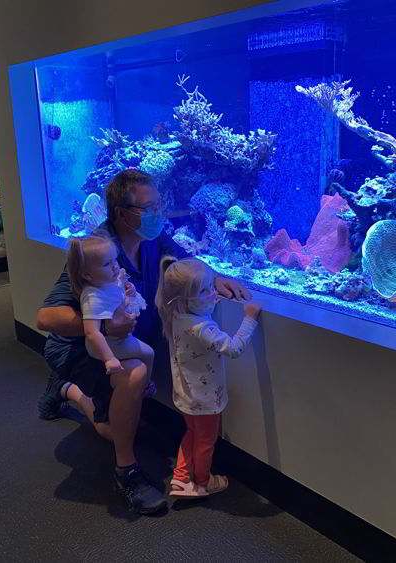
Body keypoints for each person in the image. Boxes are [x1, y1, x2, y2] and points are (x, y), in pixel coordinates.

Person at [36, 169, 251, 515]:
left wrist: (219, 279)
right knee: (132, 384)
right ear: (122, 213)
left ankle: (65, 390)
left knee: (112, 425)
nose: (158, 214)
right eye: (148, 207)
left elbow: (185, 260)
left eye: (158, 205)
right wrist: (106, 326)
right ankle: (127, 472)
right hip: (85, 349)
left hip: (122, 347)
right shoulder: (100, 250)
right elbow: (45, 318)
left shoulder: (154, 240)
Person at [155, 256, 261, 497]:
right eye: (206, 290)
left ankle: (181, 478)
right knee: (205, 442)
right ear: (186, 299)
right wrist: (249, 319)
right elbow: (233, 348)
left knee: (191, 434)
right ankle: (203, 482)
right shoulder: (203, 328)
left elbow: (200, 306)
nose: (213, 293)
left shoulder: (175, 315)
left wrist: (208, 296)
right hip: (205, 401)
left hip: (185, 395)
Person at [65, 232, 155, 390]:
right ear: (87, 274)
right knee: (148, 353)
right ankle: (146, 387)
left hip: (119, 337)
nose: (115, 266)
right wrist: (109, 359)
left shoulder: (108, 280)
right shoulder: (93, 297)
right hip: (110, 345)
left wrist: (130, 291)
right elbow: (92, 333)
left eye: (114, 259)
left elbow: (117, 296)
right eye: (107, 264)